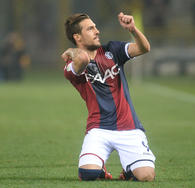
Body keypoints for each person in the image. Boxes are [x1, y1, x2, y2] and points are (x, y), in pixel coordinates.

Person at [61, 12, 156, 181]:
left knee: (146, 176)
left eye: (95, 27)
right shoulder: (71, 68)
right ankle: (100, 169)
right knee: (88, 175)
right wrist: (73, 52)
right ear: (78, 37)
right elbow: (82, 59)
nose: (97, 31)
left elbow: (144, 48)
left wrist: (132, 29)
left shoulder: (112, 50)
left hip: (129, 128)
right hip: (98, 129)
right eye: (90, 28)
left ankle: (129, 172)